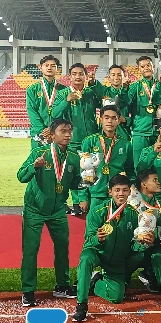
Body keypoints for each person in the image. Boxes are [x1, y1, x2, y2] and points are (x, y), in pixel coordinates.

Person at [18, 119, 82, 307]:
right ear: (52, 135)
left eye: (70, 130)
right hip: (34, 210)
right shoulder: (40, 153)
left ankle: (62, 285)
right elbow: (21, 176)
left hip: (58, 210)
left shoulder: (74, 157)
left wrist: (89, 179)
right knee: (30, 251)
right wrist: (34, 167)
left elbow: (75, 183)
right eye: (63, 131)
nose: (68, 134)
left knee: (63, 247)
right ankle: (28, 291)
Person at [72, 174, 151, 322]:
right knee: (85, 259)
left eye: (125, 190)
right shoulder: (97, 212)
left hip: (116, 258)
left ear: (130, 192)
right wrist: (98, 238)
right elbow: (89, 239)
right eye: (117, 190)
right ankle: (81, 305)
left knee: (116, 298)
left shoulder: (134, 214)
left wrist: (143, 242)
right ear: (110, 192)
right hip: (97, 252)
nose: (121, 194)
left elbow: (133, 244)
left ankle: (95, 282)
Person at [53, 63, 100, 216]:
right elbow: (54, 114)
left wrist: (95, 85)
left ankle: (90, 200)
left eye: (81, 74)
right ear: (70, 77)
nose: (78, 76)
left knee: (91, 170)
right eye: (74, 74)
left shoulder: (91, 92)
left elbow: (105, 101)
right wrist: (66, 100)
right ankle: (77, 203)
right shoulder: (63, 93)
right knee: (74, 172)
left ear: (85, 76)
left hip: (92, 139)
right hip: (72, 140)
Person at [80, 105, 135, 210]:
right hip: (96, 194)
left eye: (114, 118)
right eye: (106, 117)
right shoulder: (89, 141)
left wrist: (130, 189)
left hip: (117, 195)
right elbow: (84, 170)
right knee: (95, 225)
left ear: (118, 121)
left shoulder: (125, 144)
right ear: (100, 120)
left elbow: (130, 170)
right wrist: (83, 197)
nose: (110, 121)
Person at [135, 169, 161, 293]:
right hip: (137, 244)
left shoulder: (160, 203)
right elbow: (139, 230)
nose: (159, 183)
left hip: (155, 241)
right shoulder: (134, 203)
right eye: (155, 180)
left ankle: (152, 273)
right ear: (144, 184)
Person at [128, 56, 161, 165]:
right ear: (139, 69)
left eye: (148, 65)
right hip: (140, 133)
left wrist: (160, 84)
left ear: (153, 67)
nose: (146, 68)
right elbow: (126, 103)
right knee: (140, 165)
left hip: (158, 134)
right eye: (142, 66)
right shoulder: (134, 87)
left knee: (159, 166)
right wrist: (124, 88)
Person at [26, 55, 67, 149]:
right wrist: (42, 130)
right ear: (41, 68)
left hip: (57, 133)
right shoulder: (32, 89)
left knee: (57, 162)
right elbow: (31, 110)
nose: (49, 67)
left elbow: (64, 113)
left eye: (53, 66)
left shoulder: (64, 90)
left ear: (57, 69)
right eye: (46, 65)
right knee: (38, 162)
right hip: (39, 134)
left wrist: (52, 128)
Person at [87, 64, 131, 140]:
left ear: (124, 77)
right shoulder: (104, 91)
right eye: (113, 75)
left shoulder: (130, 92)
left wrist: (127, 120)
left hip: (123, 132)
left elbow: (137, 113)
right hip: (105, 132)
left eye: (119, 75)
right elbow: (96, 88)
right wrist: (92, 81)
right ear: (109, 78)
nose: (116, 77)